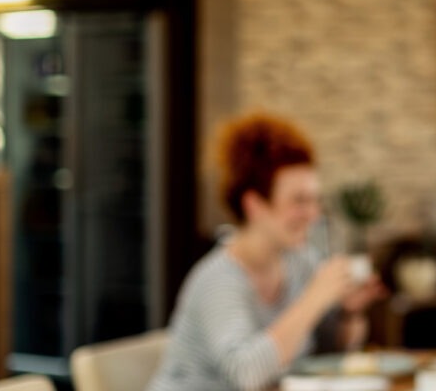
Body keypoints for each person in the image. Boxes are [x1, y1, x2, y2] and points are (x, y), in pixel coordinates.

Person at [149, 113, 386, 391]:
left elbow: (327, 352)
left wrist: (348, 312)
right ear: (254, 205)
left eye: (315, 200)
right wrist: (315, 298)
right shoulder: (217, 280)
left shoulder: (301, 262)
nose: (313, 213)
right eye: (299, 201)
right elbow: (246, 375)